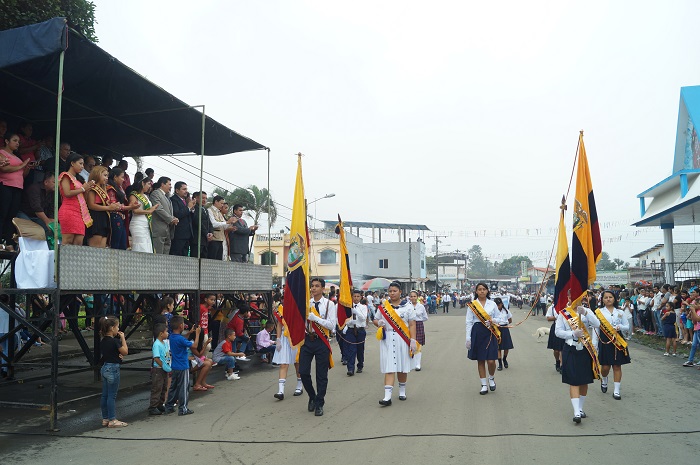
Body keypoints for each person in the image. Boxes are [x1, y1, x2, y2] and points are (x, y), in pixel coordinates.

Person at [555, 305, 601, 423]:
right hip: (570, 348)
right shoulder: (564, 313)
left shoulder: (586, 310)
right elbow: (558, 332)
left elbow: (597, 324)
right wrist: (572, 334)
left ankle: (580, 408)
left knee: (584, 380)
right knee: (573, 380)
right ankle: (576, 412)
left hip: (585, 349)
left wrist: (585, 312)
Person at [374, 282, 417, 406]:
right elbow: (375, 319)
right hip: (387, 339)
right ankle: (387, 397)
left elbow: (412, 324)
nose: (392, 293)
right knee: (389, 366)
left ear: (400, 292)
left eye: (394, 291)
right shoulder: (384, 306)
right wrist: (379, 323)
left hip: (402, 339)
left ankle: (402, 391)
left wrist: (413, 340)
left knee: (402, 366)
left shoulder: (408, 307)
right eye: (390, 291)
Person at [300, 278, 337, 416]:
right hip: (307, 341)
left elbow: (331, 325)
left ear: (323, 289)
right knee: (303, 372)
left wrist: (315, 318)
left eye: (317, 286)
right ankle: (312, 396)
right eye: (312, 286)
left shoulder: (329, 304)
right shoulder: (306, 303)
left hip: (321, 341)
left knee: (321, 375)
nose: (313, 288)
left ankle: (320, 402)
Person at [595, 290, 631, 400]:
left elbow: (627, 326)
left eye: (610, 297)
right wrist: (594, 345)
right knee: (605, 367)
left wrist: (620, 326)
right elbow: (596, 329)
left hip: (617, 339)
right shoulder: (598, 312)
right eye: (606, 297)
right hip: (604, 340)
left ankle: (616, 391)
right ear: (602, 300)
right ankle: (604, 379)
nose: (608, 299)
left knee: (617, 365)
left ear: (614, 299)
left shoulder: (620, 312)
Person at [465, 282, 499, 395]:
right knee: (480, 359)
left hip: (490, 331)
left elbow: (500, 318)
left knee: (491, 360)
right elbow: (469, 322)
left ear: (487, 291)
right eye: (479, 289)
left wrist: (493, 321)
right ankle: (484, 384)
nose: (482, 291)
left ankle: (491, 377)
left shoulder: (492, 304)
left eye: (484, 289)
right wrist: (468, 337)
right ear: (476, 291)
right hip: (477, 331)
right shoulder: (473, 305)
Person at [0, 132, 32, 249]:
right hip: (5, 186)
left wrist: (26, 168)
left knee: (12, 216)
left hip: (18, 187)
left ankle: (9, 241)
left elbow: (22, 175)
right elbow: (4, 168)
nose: (17, 143)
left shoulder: (18, 157)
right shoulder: (2, 153)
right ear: (7, 141)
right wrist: (22, 165)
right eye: (15, 140)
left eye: (18, 141)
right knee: (3, 213)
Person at [164, 316, 200, 415]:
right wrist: (197, 334)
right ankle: (183, 408)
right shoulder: (180, 339)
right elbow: (194, 346)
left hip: (175, 366)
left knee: (173, 387)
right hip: (183, 366)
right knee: (184, 387)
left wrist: (189, 333)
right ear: (181, 326)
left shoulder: (172, 336)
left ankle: (169, 406)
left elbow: (182, 340)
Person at [58, 152, 96, 245]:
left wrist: (86, 190)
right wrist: (83, 188)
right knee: (68, 241)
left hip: (80, 213)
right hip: (68, 211)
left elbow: (84, 199)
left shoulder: (79, 180)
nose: (82, 166)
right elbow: (67, 193)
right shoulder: (65, 175)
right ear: (72, 163)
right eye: (80, 163)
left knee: (79, 242)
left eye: (83, 164)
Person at [99, 316, 128, 427]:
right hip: (113, 369)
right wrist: (123, 338)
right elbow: (125, 351)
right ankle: (112, 420)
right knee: (112, 395)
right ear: (112, 328)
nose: (118, 329)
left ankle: (105, 418)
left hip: (105, 367)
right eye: (117, 327)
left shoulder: (103, 341)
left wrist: (117, 355)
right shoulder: (115, 341)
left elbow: (110, 354)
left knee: (105, 395)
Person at [272, 304, 303, 399]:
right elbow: (279, 324)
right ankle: (280, 391)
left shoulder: (300, 306)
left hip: (296, 337)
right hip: (285, 338)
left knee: (297, 363)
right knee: (283, 364)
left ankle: (299, 386)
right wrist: (278, 339)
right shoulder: (282, 308)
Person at [85, 166, 120, 248]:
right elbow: (91, 205)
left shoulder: (103, 189)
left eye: (107, 176)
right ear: (97, 174)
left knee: (102, 247)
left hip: (104, 218)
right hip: (95, 218)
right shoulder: (92, 188)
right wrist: (108, 208)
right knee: (95, 247)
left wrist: (114, 206)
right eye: (104, 175)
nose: (106, 178)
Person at [18, 171, 56, 239]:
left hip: (37, 217)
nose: (57, 185)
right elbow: (37, 208)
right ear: (46, 182)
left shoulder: (52, 192)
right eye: (54, 182)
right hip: (25, 213)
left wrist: (52, 222)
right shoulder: (34, 188)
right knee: (30, 229)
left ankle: (47, 248)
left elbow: (52, 209)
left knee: (51, 229)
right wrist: (47, 222)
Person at [106, 168, 136, 250]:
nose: (123, 180)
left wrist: (131, 206)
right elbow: (115, 205)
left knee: (122, 245)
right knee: (115, 244)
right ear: (115, 177)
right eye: (122, 177)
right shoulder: (110, 188)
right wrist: (131, 207)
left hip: (121, 217)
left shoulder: (120, 188)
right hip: (115, 217)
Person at [128, 173, 158, 253]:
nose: (149, 186)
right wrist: (149, 211)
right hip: (138, 225)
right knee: (140, 247)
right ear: (142, 183)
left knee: (147, 248)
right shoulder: (133, 195)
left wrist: (152, 209)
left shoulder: (145, 196)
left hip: (146, 225)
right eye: (148, 184)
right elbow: (135, 210)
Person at [343, 289, 368, 376]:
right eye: (354, 296)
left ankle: (360, 365)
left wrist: (356, 312)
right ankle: (350, 368)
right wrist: (350, 322)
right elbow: (344, 320)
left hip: (360, 330)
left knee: (360, 350)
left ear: (361, 297)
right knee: (351, 349)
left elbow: (363, 318)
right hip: (350, 330)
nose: (356, 298)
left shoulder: (363, 307)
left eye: (358, 296)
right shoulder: (348, 307)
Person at [149, 177, 176, 254]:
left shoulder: (166, 196)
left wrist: (173, 218)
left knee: (165, 255)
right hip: (158, 229)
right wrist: (171, 219)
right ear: (162, 184)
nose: (170, 186)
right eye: (169, 184)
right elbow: (159, 209)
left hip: (167, 230)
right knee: (158, 254)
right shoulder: (155, 194)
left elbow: (168, 211)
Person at [148, 323, 171, 415]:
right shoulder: (157, 344)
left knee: (163, 387)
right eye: (166, 332)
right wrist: (163, 365)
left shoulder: (165, 343)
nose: (168, 333)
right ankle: (153, 406)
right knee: (157, 387)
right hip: (158, 369)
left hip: (164, 368)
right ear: (161, 333)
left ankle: (160, 404)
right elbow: (156, 358)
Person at [170, 181, 195, 256]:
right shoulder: (173, 199)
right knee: (176, 255)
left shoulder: (186, 201)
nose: (186, 191)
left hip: (187, 234)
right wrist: (188, 208)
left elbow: (190, 217)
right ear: (177, 190)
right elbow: (177, 214)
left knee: (184, 255)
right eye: (183, 189)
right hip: (179, 234)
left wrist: (192, 209)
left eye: (186, 189)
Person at [408, 290, 427, 371]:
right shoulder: (407, 306)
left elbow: (425, 317)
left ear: (417, 297)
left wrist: (418, 319)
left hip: (418, 325)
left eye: (414, 296)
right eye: (411, 296)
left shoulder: (421, 306)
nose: (413, 298)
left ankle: (417, 364)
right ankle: (411, 362)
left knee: (418, 344)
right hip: (409, 325)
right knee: (409, 343)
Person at [190, 191, 213, 258]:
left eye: (206, 198)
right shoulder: (195, 208)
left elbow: (209, 223)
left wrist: (211, 232)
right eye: (202, 198)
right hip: (197, 239)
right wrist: (206, 233)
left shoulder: (205, 209)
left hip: (205, 241)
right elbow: (197, 221)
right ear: (196, 198)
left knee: (204, 259)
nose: (204, 200)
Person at [207, 195, 230, 260]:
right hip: (213, 239)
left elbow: (224, 226)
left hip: (220, 239)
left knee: (218, 259)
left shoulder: (219, 213)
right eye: (221, 203)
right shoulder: (209, 210)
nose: (222, 205)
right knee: (212, 259)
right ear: (216, 202)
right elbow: (213, 224)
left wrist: (231, 222)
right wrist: (227, 222)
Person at [494, 297, 513, 371]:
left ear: (501, 304)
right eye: (497, 305)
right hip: (497, 329)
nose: (498, 306)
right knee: (498, 347)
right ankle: (500, 363)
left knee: (506, 346)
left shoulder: (506, 311)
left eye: (499, 304)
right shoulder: (493, 312)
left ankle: (504, 359)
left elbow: (510, 320)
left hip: (505, 328)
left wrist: (505, 324)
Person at [682, 292, 700, 367]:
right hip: (696, 329)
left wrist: (693, 311)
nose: (694, 306)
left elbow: (698, 319)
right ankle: (690, 360)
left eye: (696, 304)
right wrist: (692, 312)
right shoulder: (696, 311)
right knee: (693, 345)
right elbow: (694, 321)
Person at [546, 303, 564, 373]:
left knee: (562, 348)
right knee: (556, 350)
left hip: (565, 328)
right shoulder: (552, 307)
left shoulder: (567, 306)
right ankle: (557, 361)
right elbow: (548, 318)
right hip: (556, 327)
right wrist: (558, 316)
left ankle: (563, 365)